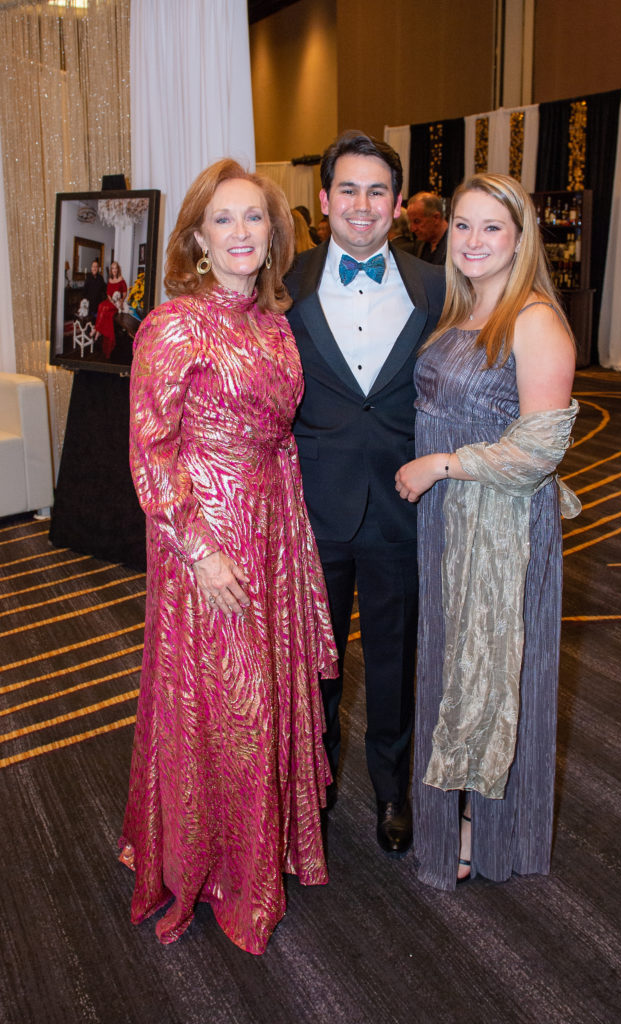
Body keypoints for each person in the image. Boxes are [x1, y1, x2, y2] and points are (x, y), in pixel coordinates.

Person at [119, 158, 337, 955]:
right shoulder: (174, 324)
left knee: (259, 694)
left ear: (275, 234)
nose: (244, 232)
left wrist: (288, 540)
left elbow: (280, 440)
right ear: (199, 238)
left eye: (256, 218)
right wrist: (202, 549)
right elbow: (151, 449)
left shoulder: (274, 324)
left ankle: (254, 850)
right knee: (226, 699)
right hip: (207, 537)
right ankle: (215, 866)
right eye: (226, 220)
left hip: (273, 527)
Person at [395, 172, 581, 889]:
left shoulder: (534, 320)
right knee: (452, 670)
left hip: (500, 525)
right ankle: (454, 819)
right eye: (464, 226)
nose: (474, 241)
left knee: (499, 675)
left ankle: (494, 832)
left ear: (520, 237)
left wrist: (440, 464)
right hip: (449, 522)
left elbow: (539, 450)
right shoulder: (462, 309)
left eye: (491, 228)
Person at [285, 130, 445, 857]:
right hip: (311, 512)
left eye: (376, 191)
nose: (361, 204)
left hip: (401, 510)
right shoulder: (280, 285)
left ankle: (391, 792)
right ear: (324, 201)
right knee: (312, 671)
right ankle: (310, 796)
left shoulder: (436, 288)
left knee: (393, 664)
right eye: (347, 189)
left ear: (398, 204)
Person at [94, 260, 127, 358]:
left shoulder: (121, 280)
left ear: (118, 269)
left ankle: (97, 330)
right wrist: (110, 300)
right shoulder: (110, 280)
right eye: (112, 268)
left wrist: (120, 300)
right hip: (111, 301)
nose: (114, 270)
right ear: (111, 270)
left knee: (104, 309)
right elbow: (108, 294)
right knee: (101, 305)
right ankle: (98, 330)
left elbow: (125, 293)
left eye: (115, 268)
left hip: (117, 303)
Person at [407, 192, 449, 264]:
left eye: (417, 221)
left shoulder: (455, 245)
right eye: (410, 222)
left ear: (436, 218)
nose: (412, 229)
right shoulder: (419, 244)